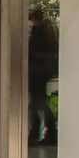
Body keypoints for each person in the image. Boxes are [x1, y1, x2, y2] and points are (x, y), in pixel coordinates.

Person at [28, 8, 59, 144]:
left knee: (38, 103)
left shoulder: (39, 31)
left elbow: (34, 52)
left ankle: (43, 133)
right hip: (42, 71)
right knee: (37, 103)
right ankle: (45, 133)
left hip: (37, 72)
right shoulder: (47, 29)